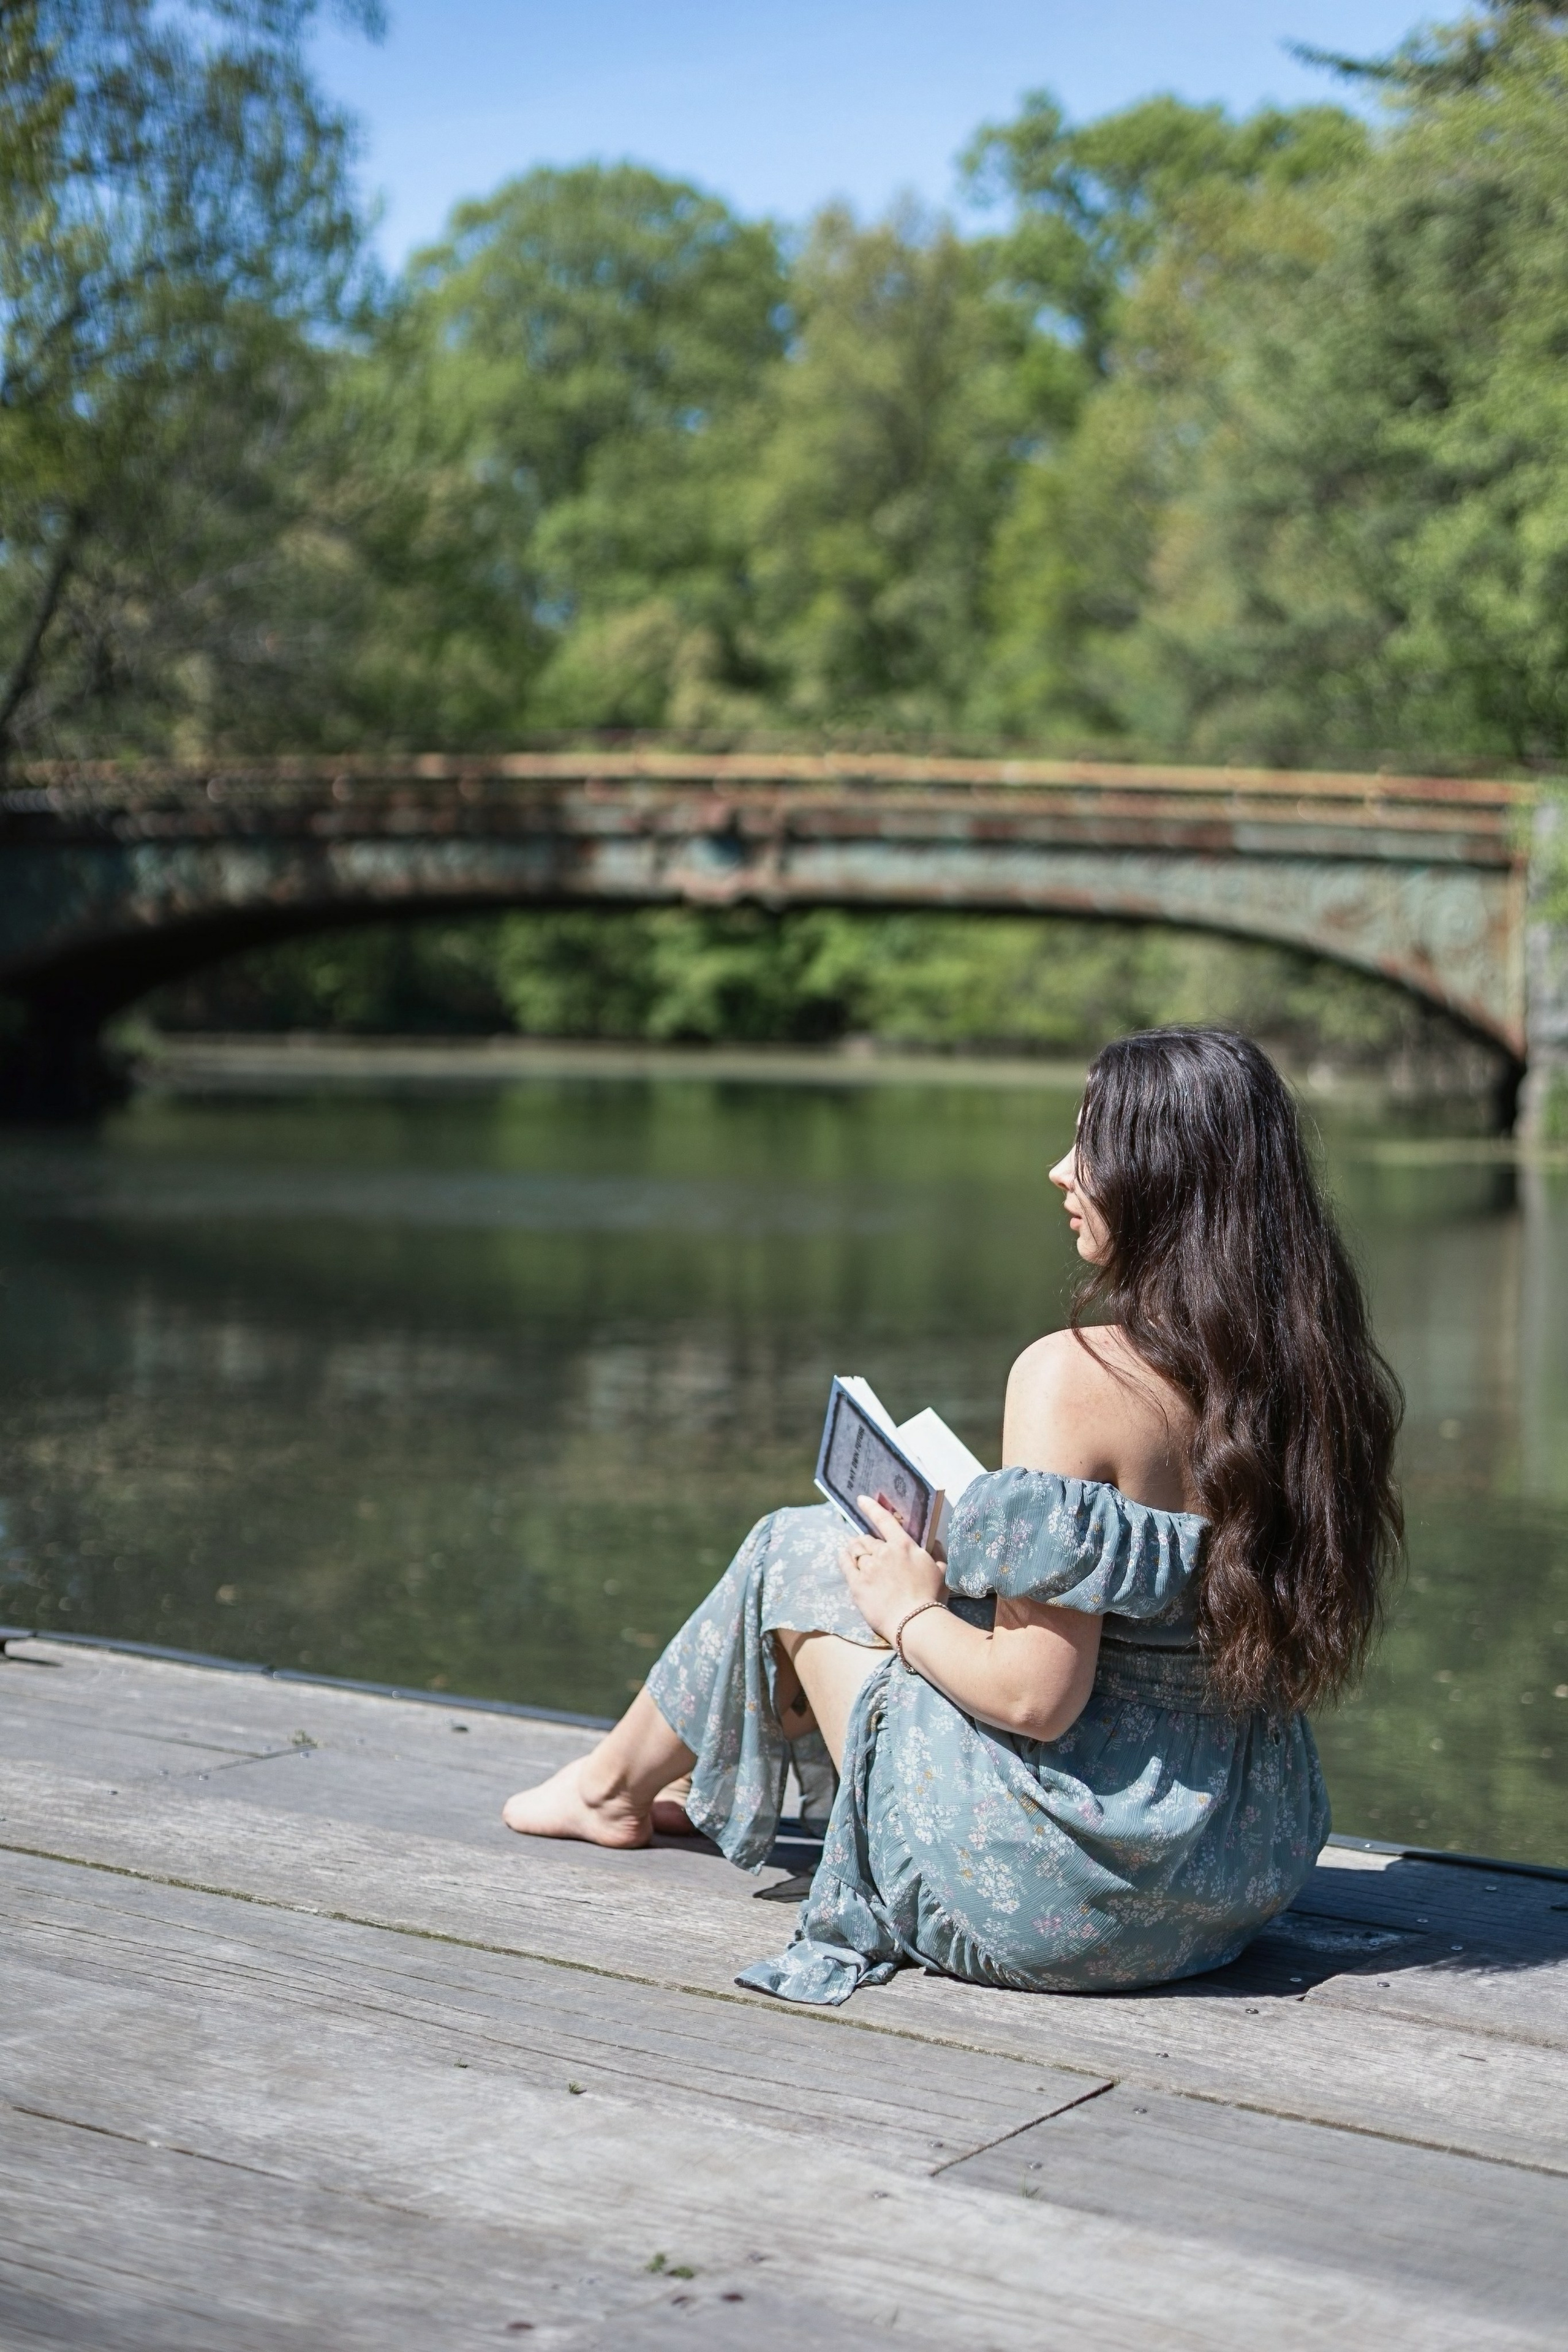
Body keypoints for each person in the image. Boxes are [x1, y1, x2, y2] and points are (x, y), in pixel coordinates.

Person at [503, 1027, 1403, 2005]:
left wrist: (910, 1610)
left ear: (1163, 1177)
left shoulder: (1075, 1375)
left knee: (796, 1546)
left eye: (1090, 1144)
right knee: (872, 1556)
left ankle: (607, 1791)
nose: (1060, 1172)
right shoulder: (1317, 1382)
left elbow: (1035, 1699)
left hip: (1065, 1901)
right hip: (1234, 1870)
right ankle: (651, 1782)